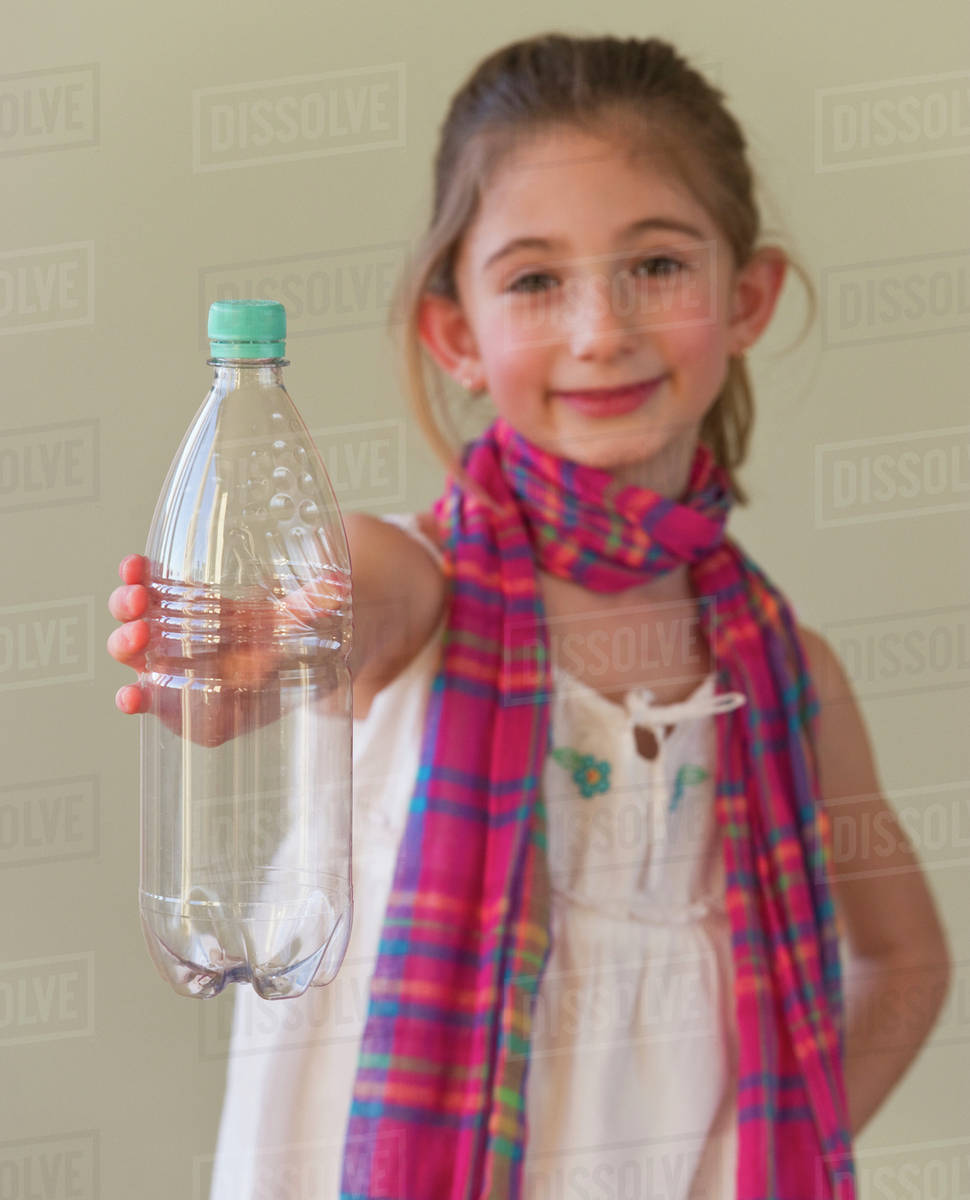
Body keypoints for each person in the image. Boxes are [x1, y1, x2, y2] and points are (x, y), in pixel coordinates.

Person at [107, 33, 951, 1200]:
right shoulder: (415, 581)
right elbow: (340, 613)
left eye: (656, 265)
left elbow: (905, 960)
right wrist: (252, 670)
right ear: (456, 333)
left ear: (745, 298)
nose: (600, 329)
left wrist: (764, 1162)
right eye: (535, 280)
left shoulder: (785, 670)